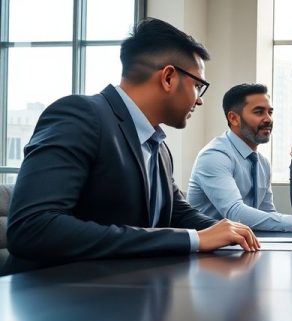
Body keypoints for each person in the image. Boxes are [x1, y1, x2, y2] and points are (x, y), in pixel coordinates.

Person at [7, 18, 259, 263]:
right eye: (197, 85)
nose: (200, 99)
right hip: (55, 294)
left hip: (126, 289)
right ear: (168, 77)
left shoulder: (156, 144)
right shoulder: (80, 116)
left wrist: (232, 232)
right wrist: (193, 239)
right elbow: (33, 226)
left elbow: (176, 212)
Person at [188, 84, 292, 233]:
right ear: (234, 118)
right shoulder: (214, 156)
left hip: (243, 247)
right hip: (207, 253)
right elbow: (234, 213)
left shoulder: (262, 163)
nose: (268, 119)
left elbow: (267, 213)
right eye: (259, 112)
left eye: (270, 112)